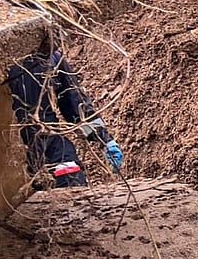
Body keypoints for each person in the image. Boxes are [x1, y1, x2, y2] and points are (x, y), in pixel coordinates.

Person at [8, 40, 124, 188]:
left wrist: (105, 139)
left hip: (50, 142)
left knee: (69, 174)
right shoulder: (10, 66)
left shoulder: (53, 59)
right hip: (20, 150)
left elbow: (75, 105)